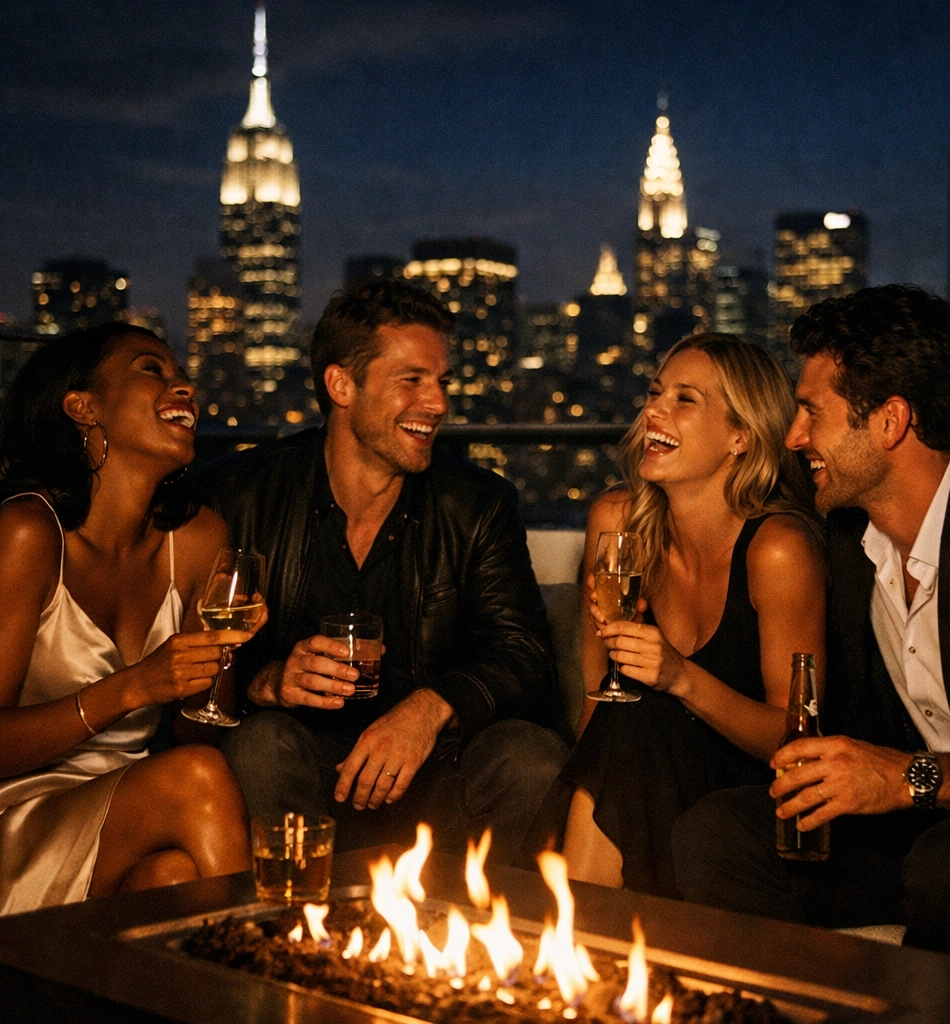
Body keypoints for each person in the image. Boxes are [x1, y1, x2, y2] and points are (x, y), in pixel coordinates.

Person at [672, 285, 950, 969]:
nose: (796, 435)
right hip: (918, 836)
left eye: (811, 411)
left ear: (890, 422)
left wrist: (911, 779)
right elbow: (722, 490)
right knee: (721, 832)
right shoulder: (848, 542)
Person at [202, 279, 568, 865]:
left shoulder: (476, 503)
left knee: (531, 758)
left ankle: (478, 948)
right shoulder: (242, 494)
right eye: (412, 381)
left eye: (442, 382)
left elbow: (525, 655)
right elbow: (196, 659)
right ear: (342, 384)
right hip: (306, 765)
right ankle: (296, 939)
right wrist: (268, 679)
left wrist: (429, 709)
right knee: (262, 744)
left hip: (438, 765)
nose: (439, 404)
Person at [549, 334, 827, 897]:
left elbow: (795, 740)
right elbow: (594, 695)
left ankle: (573, 933)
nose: (653, 409)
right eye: (655, 393)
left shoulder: (778, 549)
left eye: (685, 399)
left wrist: (679, 677)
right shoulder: (616, 524)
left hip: (744, 795)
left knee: (642, 717)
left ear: (740, 436)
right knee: (628, 717)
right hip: (631, 768)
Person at [0, 324, 253, 915]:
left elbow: (200, 730)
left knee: (171, 875)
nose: (183, 385)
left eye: (181, 374)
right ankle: (272, 969)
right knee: (195, 776)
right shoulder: (26, 534)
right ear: (84, 409)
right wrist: (133, 687)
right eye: (152, 370)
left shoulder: (197, 539)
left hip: (127, 808)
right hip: (15, 814)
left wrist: (217, 652)